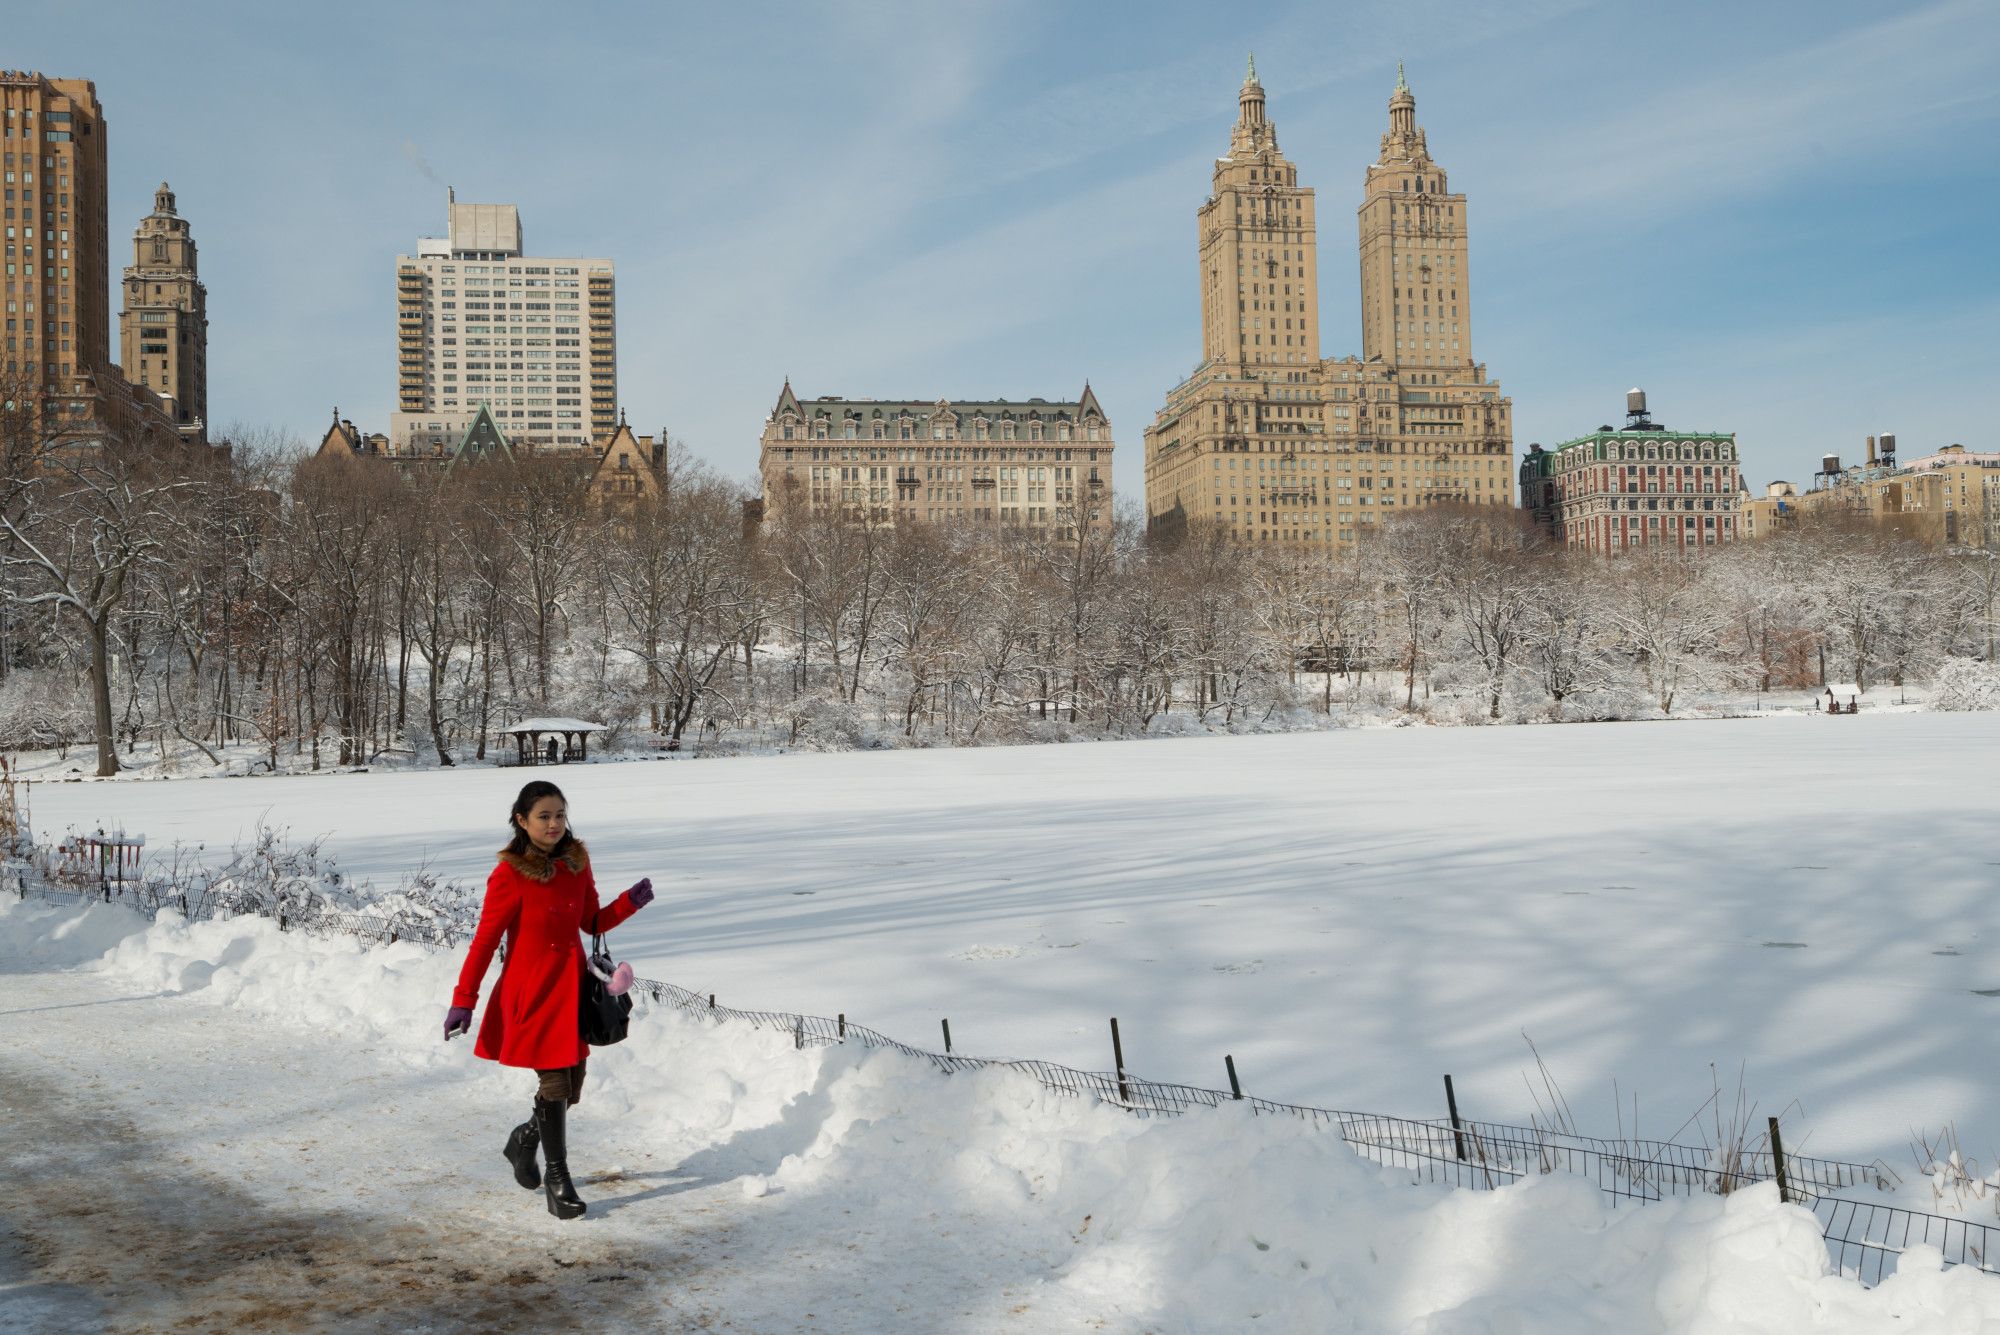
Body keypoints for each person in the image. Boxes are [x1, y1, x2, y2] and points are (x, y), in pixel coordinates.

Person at [443, 780, 654, 1219]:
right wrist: (464, 999)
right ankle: (558, 1180)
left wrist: (629, 903)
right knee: (556, 1083)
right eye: (544, 816)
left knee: (571, 1089)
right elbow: (484, 942)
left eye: (560, 814)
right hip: (532, 993)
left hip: (572, 989)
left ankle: (524, 1140)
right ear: (522, 821)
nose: (555, 823)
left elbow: (591, 920)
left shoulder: (578, 861)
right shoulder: (510, 874)